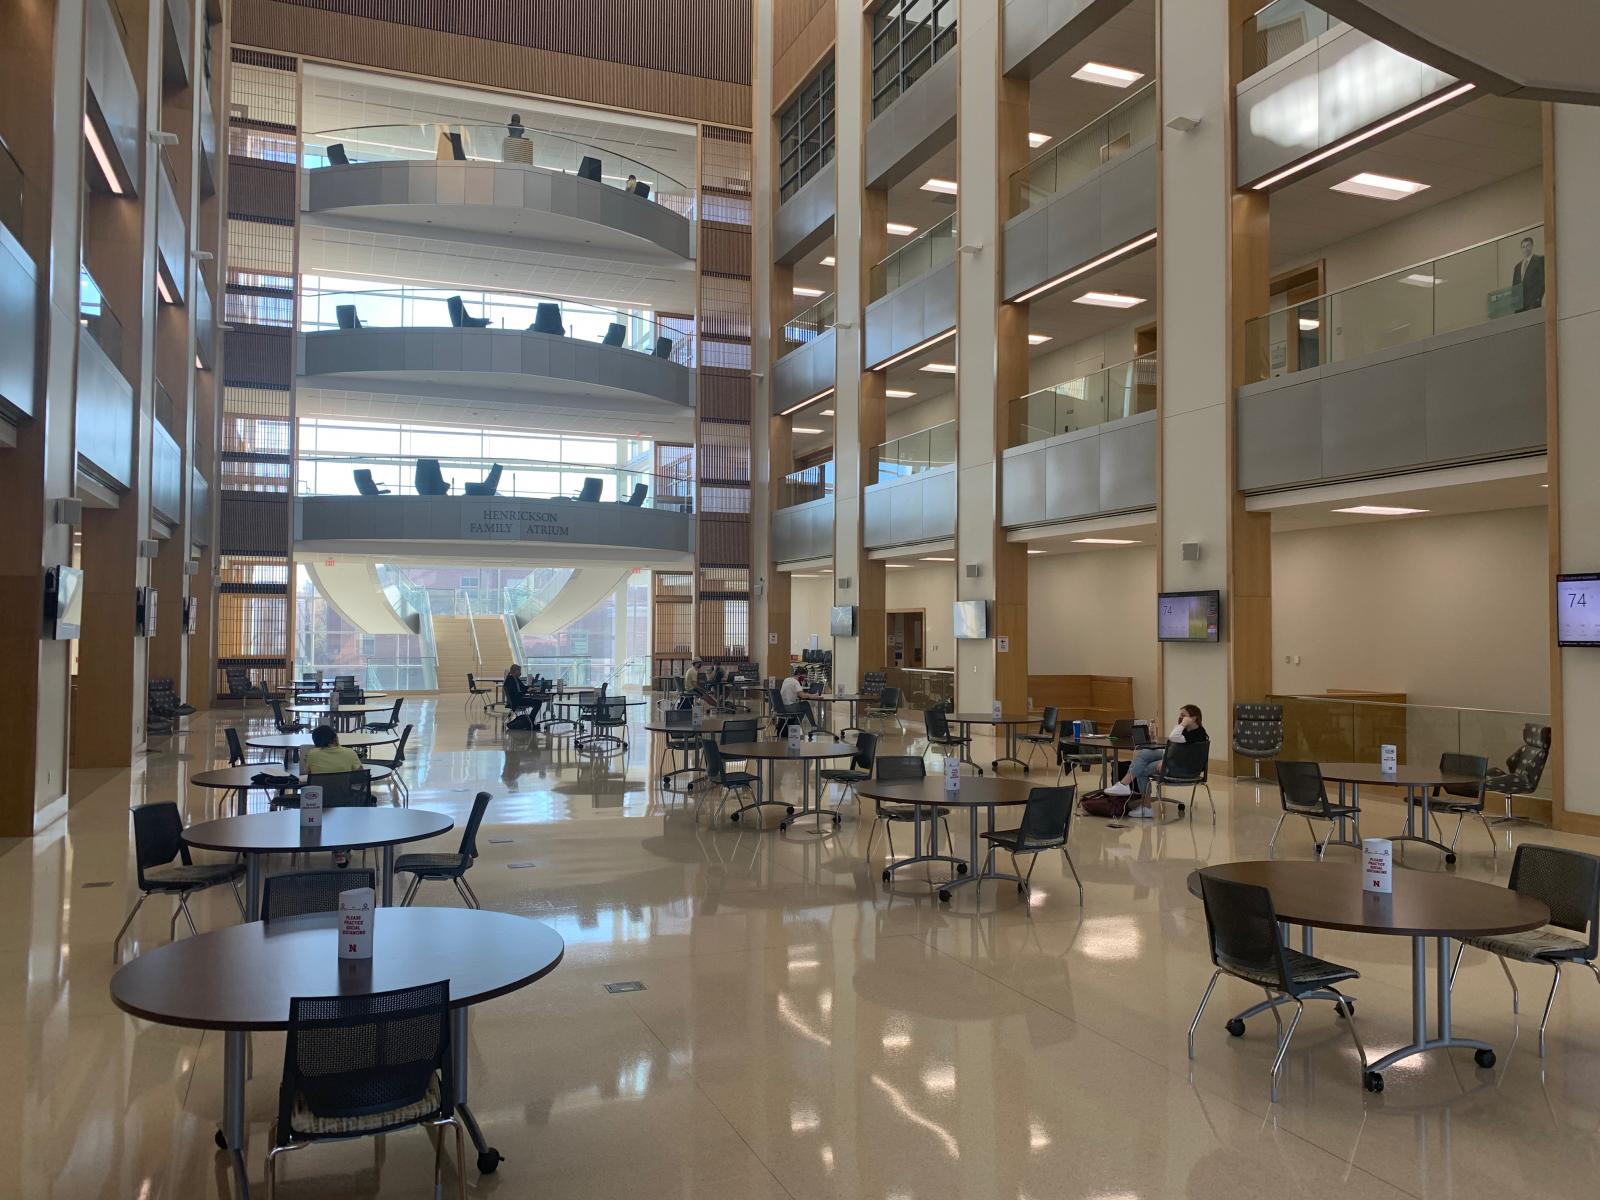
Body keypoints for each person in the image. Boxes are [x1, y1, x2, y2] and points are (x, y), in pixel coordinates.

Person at [1104, 704, 1207, 819]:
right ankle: (1123, 784)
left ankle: (1146, 807)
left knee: (1142, 771)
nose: (1180, 718)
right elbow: (1177, 749)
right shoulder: (1190, 732)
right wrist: (1165, 758)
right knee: (1145, 752)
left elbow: (1173, 738)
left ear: (1193, 718)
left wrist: (1182, 725)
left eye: (1183, 716)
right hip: (1177, 762)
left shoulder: (1197, 735)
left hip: (1180, 769)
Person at [1514, 236, 1545, 311]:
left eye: (1528, 246)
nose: (1525, 249)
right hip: (1520, 306)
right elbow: (1514, 288)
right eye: (1523, 247)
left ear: (1532, 246)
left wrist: (1538, 299)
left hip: (1533, 304)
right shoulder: (1517, 267)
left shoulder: (1539, 260)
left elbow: (1543, 281)